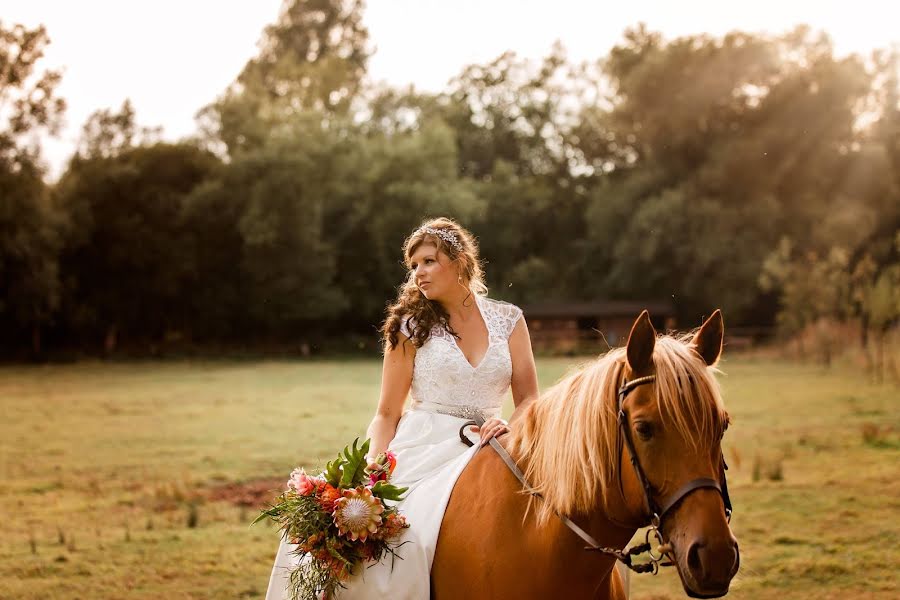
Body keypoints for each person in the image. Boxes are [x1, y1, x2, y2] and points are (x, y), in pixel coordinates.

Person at [265, 217, 539, 599]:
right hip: (425, 446)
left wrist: (508, 427)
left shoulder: (509, 320)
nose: (418, 274)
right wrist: (371, 474)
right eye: (413, 266)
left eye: (428, 261)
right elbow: (387, 413)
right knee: (406, 540)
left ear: (459, 260)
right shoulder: (408, 327)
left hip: (494, 442)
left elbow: (528, 397)